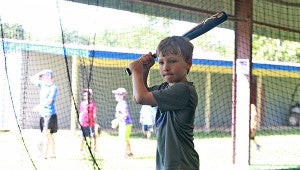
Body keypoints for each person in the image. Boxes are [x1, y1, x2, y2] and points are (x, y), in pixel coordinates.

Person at [128, 36, 199, 169]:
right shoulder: (165, 88)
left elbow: (141, 97)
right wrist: (145, 70)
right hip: (167, 164)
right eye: (161, 62)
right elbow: (140, 96)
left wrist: (136, 71)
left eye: (172, 61)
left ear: (188, 63)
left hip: (181, 165)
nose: (165, 67)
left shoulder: (183, 90)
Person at [30, 69, 58, 159]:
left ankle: (44, 155)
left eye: (48, 75)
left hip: (50, 115)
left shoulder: (54, 87)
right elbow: (32, 79)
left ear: (52, 78)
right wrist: (41, 72)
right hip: (42, 114)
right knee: (48, 134)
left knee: (46, 134)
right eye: (45, 76)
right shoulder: (42, 85)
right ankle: (53, 153)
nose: (46, 77)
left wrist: (39, 106)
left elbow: (49, 101)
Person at [112, 87, 134, 158]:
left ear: (122, 95)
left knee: (124, 139)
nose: (115, 96)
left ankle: (125, 154)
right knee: (126, 139)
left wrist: (116, 121)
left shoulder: (122, 103)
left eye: (117, 94)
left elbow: (125, 114)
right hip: (124, 124)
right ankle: (130, 152)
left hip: (125, 124)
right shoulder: (120, 103)